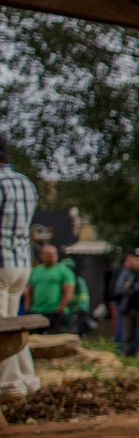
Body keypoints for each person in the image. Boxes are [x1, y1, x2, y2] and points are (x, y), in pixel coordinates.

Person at [0, 139, 42, 398]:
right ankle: (28, 379)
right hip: (20, 264)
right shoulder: (26, 183)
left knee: (1, 329)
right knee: (13, 326)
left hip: (0, 263)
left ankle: (9, 384)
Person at [111, 248, 139, 360]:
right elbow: (118, 289)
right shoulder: (126, 272)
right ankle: (126, 362)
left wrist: (131, 286)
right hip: (128, 309)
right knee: (127, 338)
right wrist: (138, 287)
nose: (137, 261)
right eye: (135, 259)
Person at [26, 243, 76, 334]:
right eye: (48, 254)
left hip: (55, 312)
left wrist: (60, 310)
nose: (52, 256)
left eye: (54, 253)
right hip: (37, 312)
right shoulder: (36, 271)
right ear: (42, 256)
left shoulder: (64, 271)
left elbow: (69, 293)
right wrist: (28, 308)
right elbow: (29, 291)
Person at [60, 257, 94, 335]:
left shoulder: (77, 281)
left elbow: (80, 298)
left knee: (75, 331)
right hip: (75, 309)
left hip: (78, 310)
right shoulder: (76, 279)